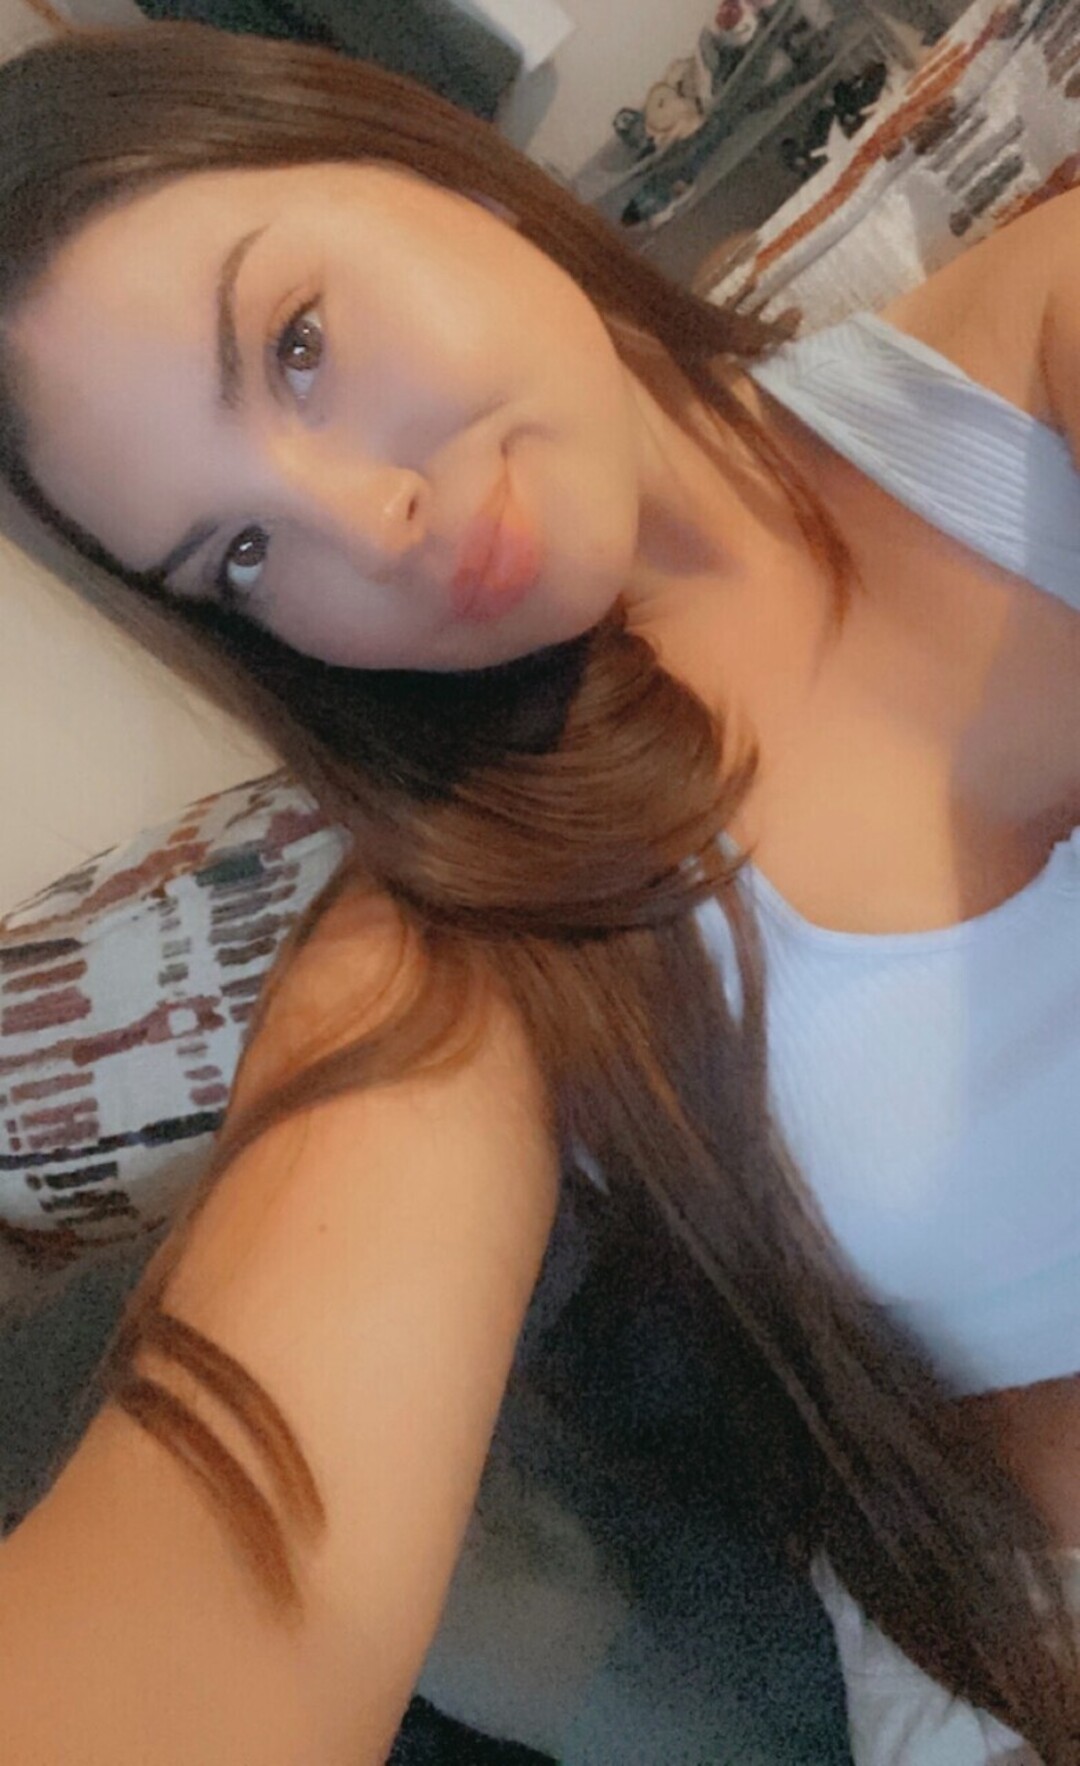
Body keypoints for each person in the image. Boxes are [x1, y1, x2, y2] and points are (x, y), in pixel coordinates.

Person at [0, 19, 1078, 1764]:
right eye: (242, 553)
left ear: (431, 167)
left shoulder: (1026, 354)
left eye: (295, 344)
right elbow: (215, 1593)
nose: (370, 520)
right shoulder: (468, 942)